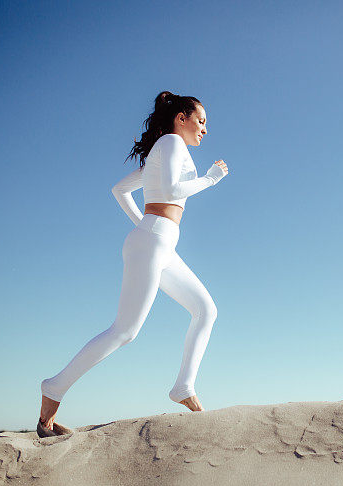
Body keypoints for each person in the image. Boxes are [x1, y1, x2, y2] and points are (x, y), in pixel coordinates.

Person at [37, 91, 230, 438]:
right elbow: (171, 189)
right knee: (125, 331)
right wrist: (211, 179)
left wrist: (143, 224)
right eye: (201, 121)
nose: (205, 129)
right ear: (181, 118)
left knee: (205, 309)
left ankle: (183, 386)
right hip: (153, 241)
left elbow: (119, 190)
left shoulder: (167, 149)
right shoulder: (172, 143)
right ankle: (54, 388)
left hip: (159, 242)